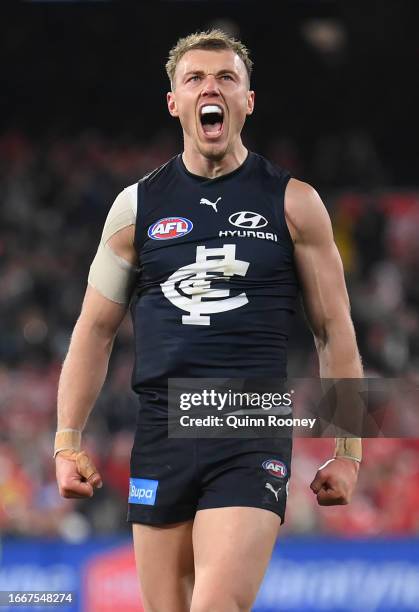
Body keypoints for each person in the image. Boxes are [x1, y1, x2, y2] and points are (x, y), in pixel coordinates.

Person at [55, 30, 362, 612]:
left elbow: (334, 330)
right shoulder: (135, 207)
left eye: (226, 78)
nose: (210, 88)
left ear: (248, 100)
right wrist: (67, 440)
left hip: (251, 424)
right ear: (174, 101)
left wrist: (350, 450)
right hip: (161, 428)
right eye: (194, 78)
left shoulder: (295, 204)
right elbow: (93, 331)